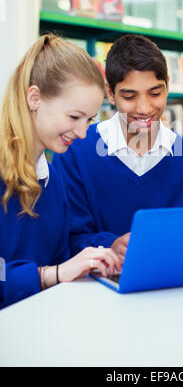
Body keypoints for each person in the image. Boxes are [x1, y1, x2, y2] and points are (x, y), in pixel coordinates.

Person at [53, 34, 183, 262]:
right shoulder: (76, 149)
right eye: (129, 96)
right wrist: (110, 246)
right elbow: (67, 239)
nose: (144, 108)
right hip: (94, 289)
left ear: (168, 85)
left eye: (155, 93)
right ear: (110, 93)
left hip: (172, 287)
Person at [0, 34, 121, 309]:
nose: (81, 133)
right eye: (74, 117)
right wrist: (50, 274)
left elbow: (60, 257)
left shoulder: (52, 181)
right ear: (34, 98)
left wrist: (93, 259)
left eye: (89, 120)